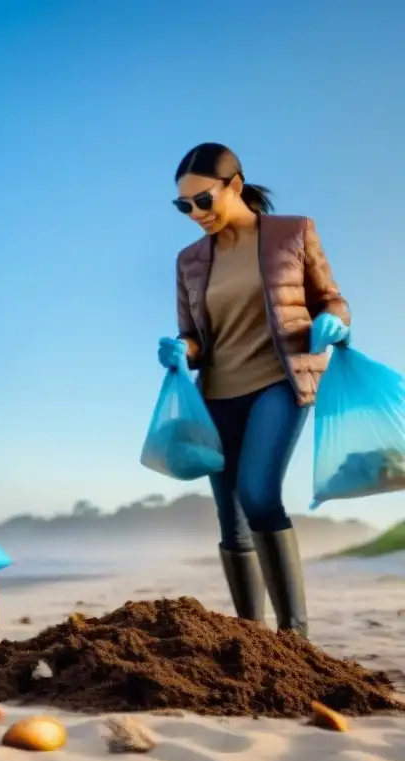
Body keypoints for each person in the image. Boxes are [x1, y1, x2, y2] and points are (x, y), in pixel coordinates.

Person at [159, 143, 350, 638]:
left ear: (235, 186)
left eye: (204, 200)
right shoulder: (189, 261)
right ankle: (252, 637)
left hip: (281, 381)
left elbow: (331, 298)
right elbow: (195, 335)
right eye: (184, 207)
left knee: (258, 494)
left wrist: (333, 321)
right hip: (218, 393)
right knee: (230, 513)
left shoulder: (293, 232)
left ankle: (294, 634)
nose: (195, 214)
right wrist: (181, 350)